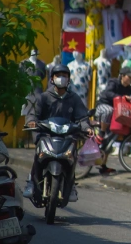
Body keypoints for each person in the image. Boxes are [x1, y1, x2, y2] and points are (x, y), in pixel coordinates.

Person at [23, 62, 91, 199]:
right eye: (58, 75)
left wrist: (87, 127)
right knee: (38, 154)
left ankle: (71, 185)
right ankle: (31, 181)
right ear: (52, 79)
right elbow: (33, 113)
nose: (61, 78)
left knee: (73, 155)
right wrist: (31, 121)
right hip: (46, 135)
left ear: (69, 79)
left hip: (67, 137)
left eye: (64, 75)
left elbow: (82, 117)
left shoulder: (74, 98)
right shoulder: (43, 97)